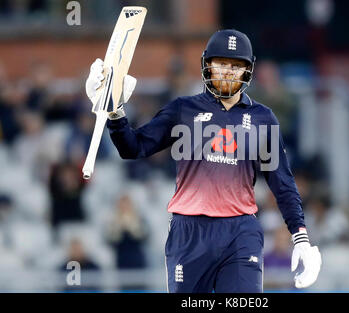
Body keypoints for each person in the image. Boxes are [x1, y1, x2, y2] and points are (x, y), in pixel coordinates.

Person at [85, 29, 321, 293]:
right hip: (189, 231)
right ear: (207, 65)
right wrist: (116, 113)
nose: (228, 71)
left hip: (240, 230)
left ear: (247, 70)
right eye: (221, 63)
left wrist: (300, 238)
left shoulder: (262, 118)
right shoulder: (183, 109)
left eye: (236, 65)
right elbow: (134, 148)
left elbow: (283, 184)